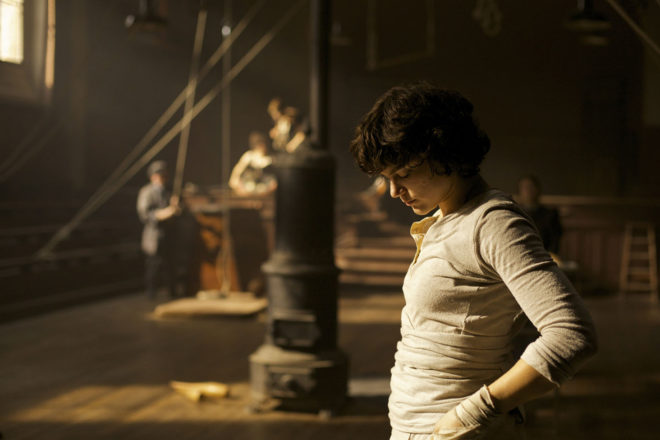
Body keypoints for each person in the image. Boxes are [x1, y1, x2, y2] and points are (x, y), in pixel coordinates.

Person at [349, 83, 598, 439]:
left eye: (402, 174)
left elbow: (572, 334)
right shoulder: (446, 220)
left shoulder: (494, 223)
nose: (393, 191)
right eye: (387, 178)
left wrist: (472, 413)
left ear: (442, 154)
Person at [136, 160, 181, 299]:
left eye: (164, 175)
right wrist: (164, 214)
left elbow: (178, 212)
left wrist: (176, 208)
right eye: (159, 175)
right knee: (153, 266)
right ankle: (151, 293)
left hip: (169, 234)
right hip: (153, 235)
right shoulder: (146, 192)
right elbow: (145, 214)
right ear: (152, 176)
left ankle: (172, 292)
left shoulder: (169, 192)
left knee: (171, 264)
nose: (162, 178)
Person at [515, 175, 563, 255]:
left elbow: (554, 242)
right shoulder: (514, 214)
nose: (528, 191)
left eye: (531, 187)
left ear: (538, 190)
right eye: (525, 188)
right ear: (519, 192)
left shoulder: (550, 215)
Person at [229, 131, 277, 196]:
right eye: (260, 144)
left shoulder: (270, 159)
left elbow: (274, 181)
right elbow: (237, 171)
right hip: (248, 186)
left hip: (263, 188)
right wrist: (236, 183)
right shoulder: (249, 156)